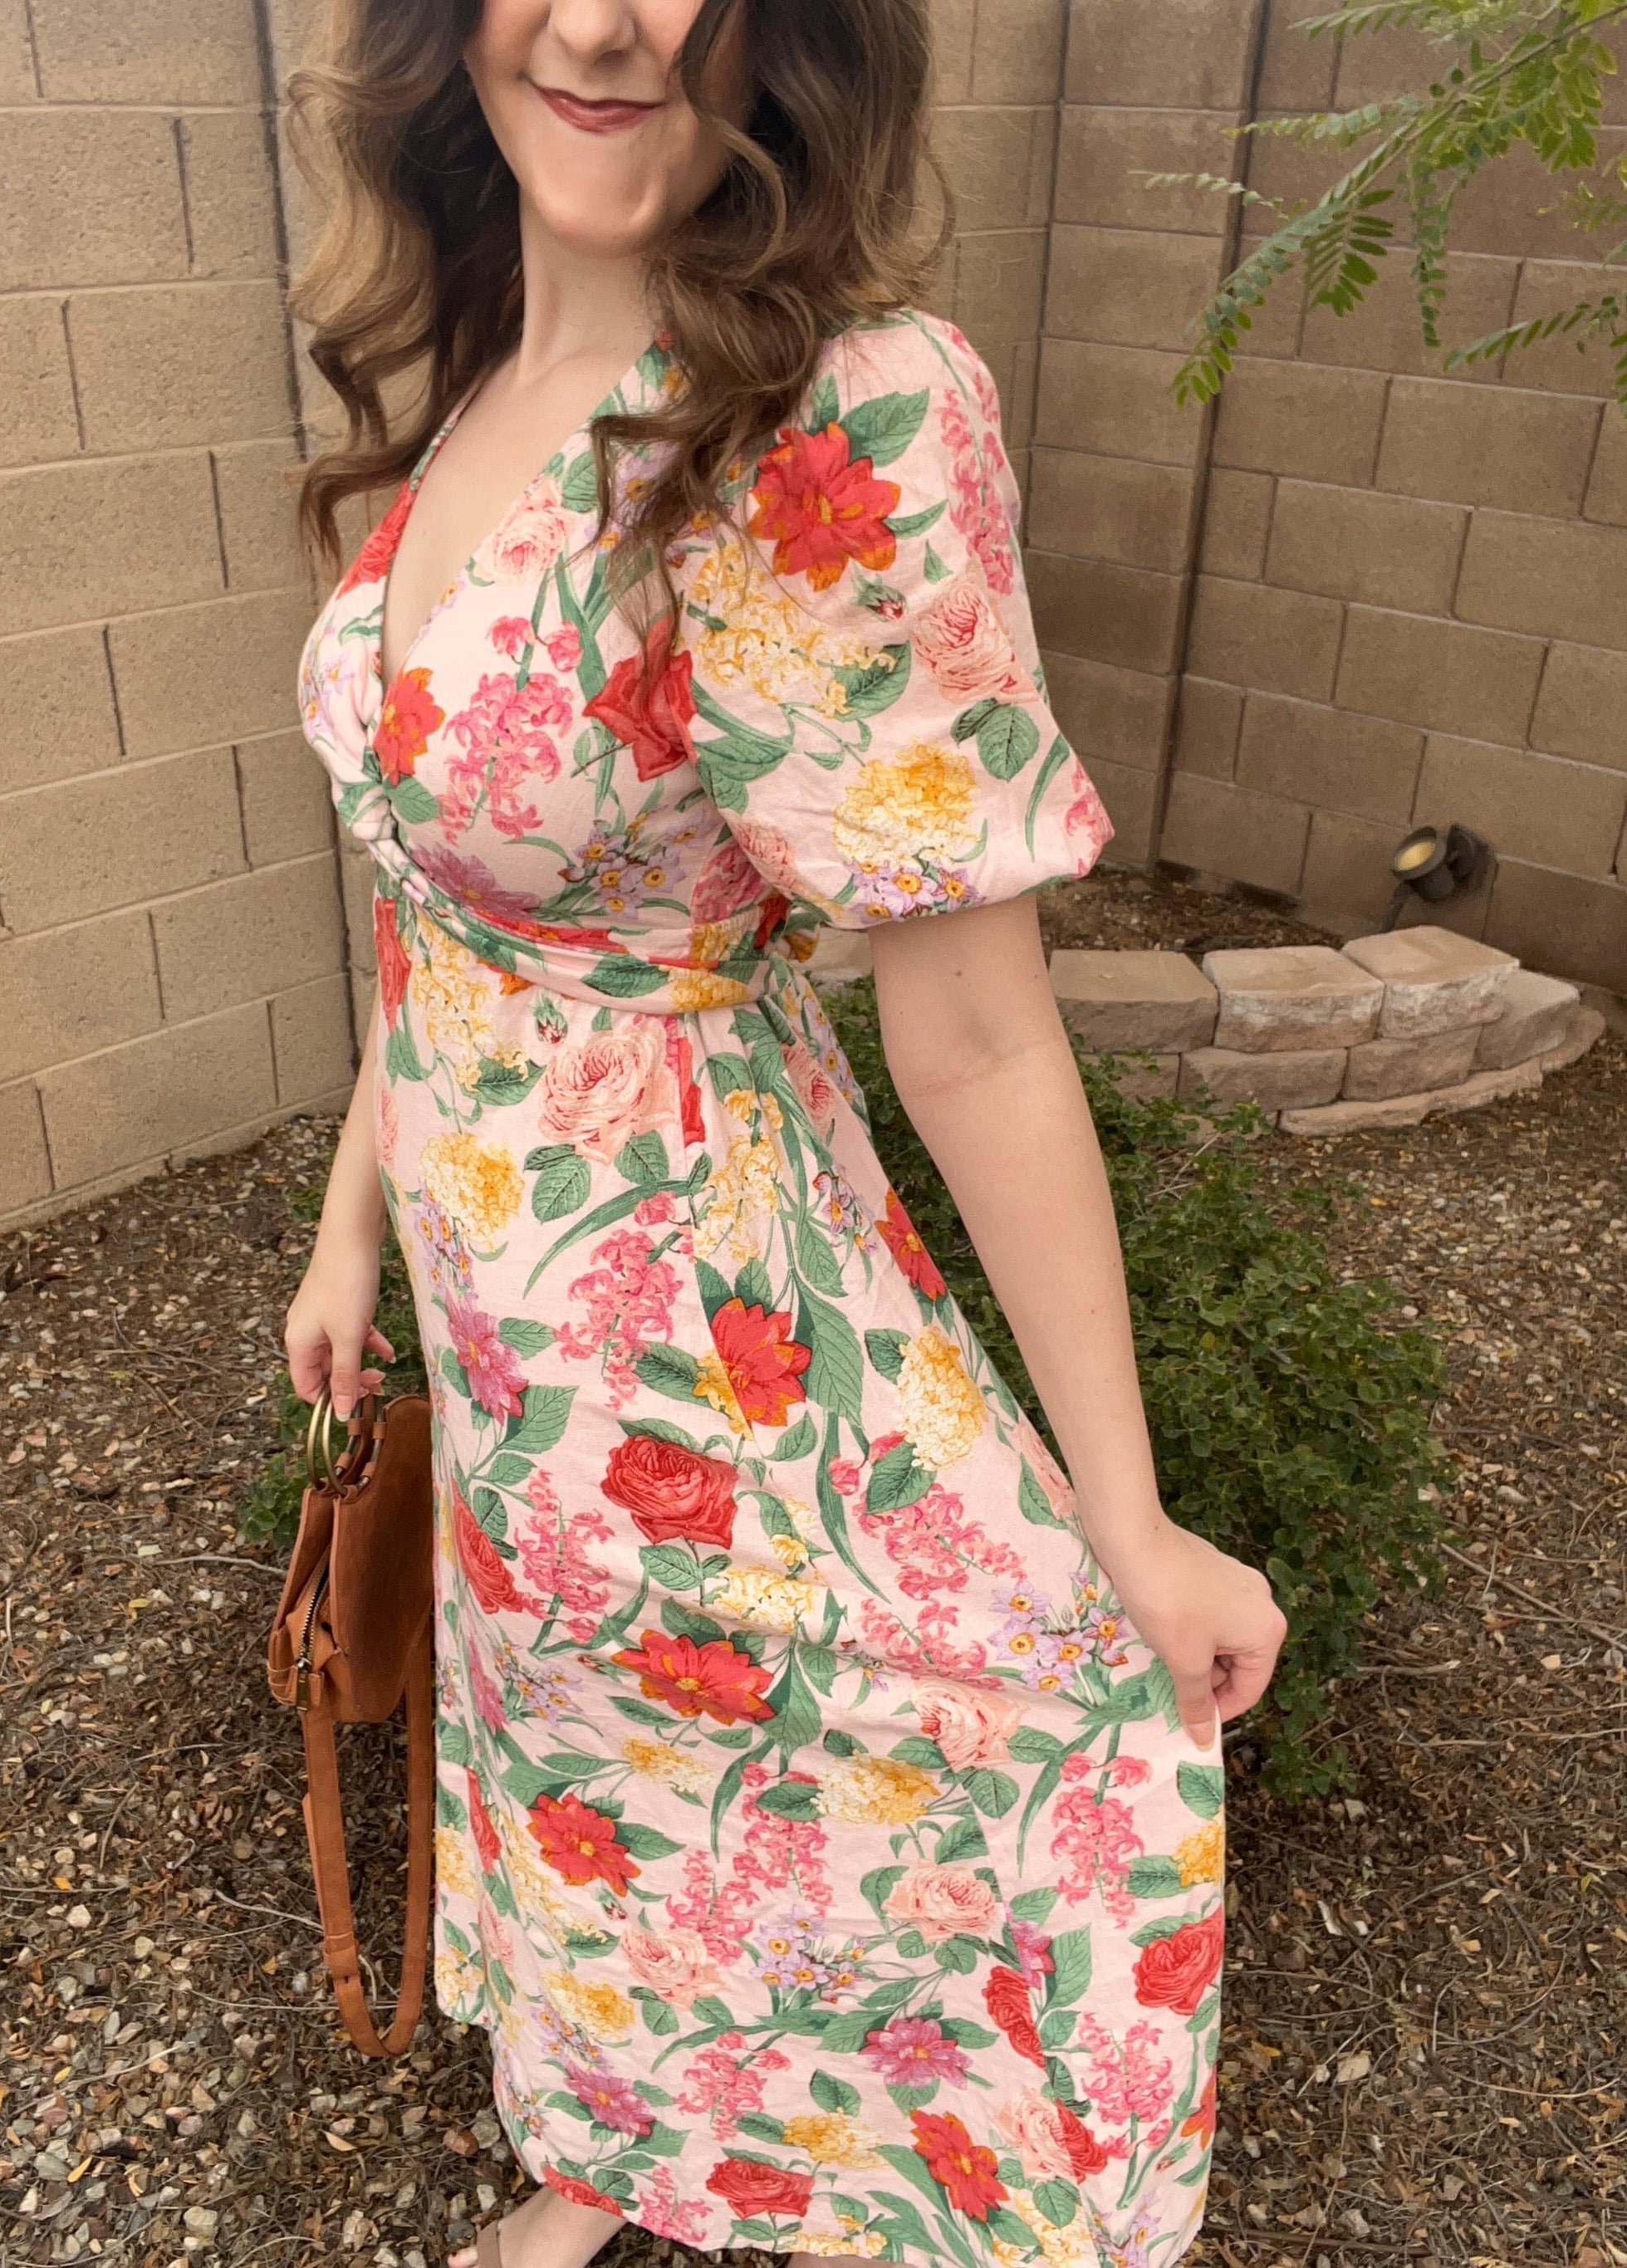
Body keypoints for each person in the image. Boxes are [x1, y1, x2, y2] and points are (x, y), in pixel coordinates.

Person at [284, 4, 1288, 2266]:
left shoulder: (837, 415)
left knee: (861, 1743)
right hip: (496, 1297)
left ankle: (858, 2166)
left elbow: (981, 1036)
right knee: (587, 1746)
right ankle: (618, 2150)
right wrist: (350, 1226)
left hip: (695, 1313)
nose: (611, 15)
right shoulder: (466, 383)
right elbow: (438, 893)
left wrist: (1126, 1517)